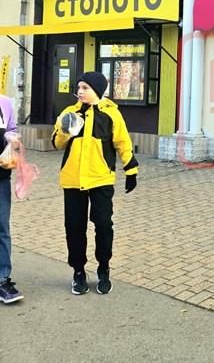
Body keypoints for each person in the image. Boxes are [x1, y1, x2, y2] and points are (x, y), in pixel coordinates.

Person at [52, 72, 138, 296]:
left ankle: (103, 269)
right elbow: (56, 143)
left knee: (103, 225)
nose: (80, 91)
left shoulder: (111, 113)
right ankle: (78, 272)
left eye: (85, 88)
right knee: (74, 227)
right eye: (79, 87)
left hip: (101, 179)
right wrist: (65, 131)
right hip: (73, 180)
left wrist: (131, 170)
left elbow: (123, 143)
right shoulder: (70, 112)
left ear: (97, 90)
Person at [0, 94, 23, 304]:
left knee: (2, 229)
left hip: (1, 177)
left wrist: (12, 139)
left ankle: (2, 280)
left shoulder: (4, 102)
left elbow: (12, 128)